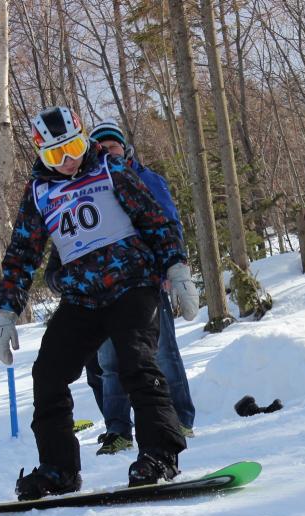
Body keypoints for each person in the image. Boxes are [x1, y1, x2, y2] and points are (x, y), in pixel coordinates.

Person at [0, 106, 199, 500]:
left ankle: (159, 454)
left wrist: (178, 271)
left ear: (83, 138)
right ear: (40, 155)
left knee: (136, 362)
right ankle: (59, 469)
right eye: (55, 155)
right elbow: (22, 253)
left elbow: (157, 221)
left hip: (132, 285)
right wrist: (6, 312)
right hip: (82, 298)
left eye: (71, 147)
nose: (68, 161)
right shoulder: (39, 193)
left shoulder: (111, 170)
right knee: (48, 375)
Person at [45, 118, 196, 455]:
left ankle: (179, 417)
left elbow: (166, 223)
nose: (106, 152)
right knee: (108, 364)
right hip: (97, 294)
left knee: (160, 355)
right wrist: (60, 278)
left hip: (147, 282)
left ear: (123, 149)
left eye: (112, 147)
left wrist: (175, 266)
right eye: (101, 147)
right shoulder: (81, 187)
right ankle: (118, 429)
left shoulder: (145, 180)